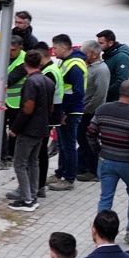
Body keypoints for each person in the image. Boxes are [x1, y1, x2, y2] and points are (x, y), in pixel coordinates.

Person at [89, 80, 129, 233]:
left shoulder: (103, 109)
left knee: (106, 198)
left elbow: (91, 133)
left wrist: (99, 150)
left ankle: (102, 233)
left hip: (106, 160)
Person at [8, 47, 54, 211]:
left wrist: (15, 128)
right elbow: (50, 107)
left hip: (28, 130)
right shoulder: (47, 81)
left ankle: (27, 200)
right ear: (40, 63)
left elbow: (27, 108)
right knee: (34, 162)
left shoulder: (31, 82)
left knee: (20, 164)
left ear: (25, 63)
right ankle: (33, 194)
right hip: (42, 129)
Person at [48, 34, 87, 191]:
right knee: (62, 144)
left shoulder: (75, 66)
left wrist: (65, 111)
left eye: (55, 47)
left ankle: (69, 178)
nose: (53, 51)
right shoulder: (66, 61)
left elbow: (78, 92)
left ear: (64, 48)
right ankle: (60, 173)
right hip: (65, 110)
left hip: (71, 112)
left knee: (68, 146)